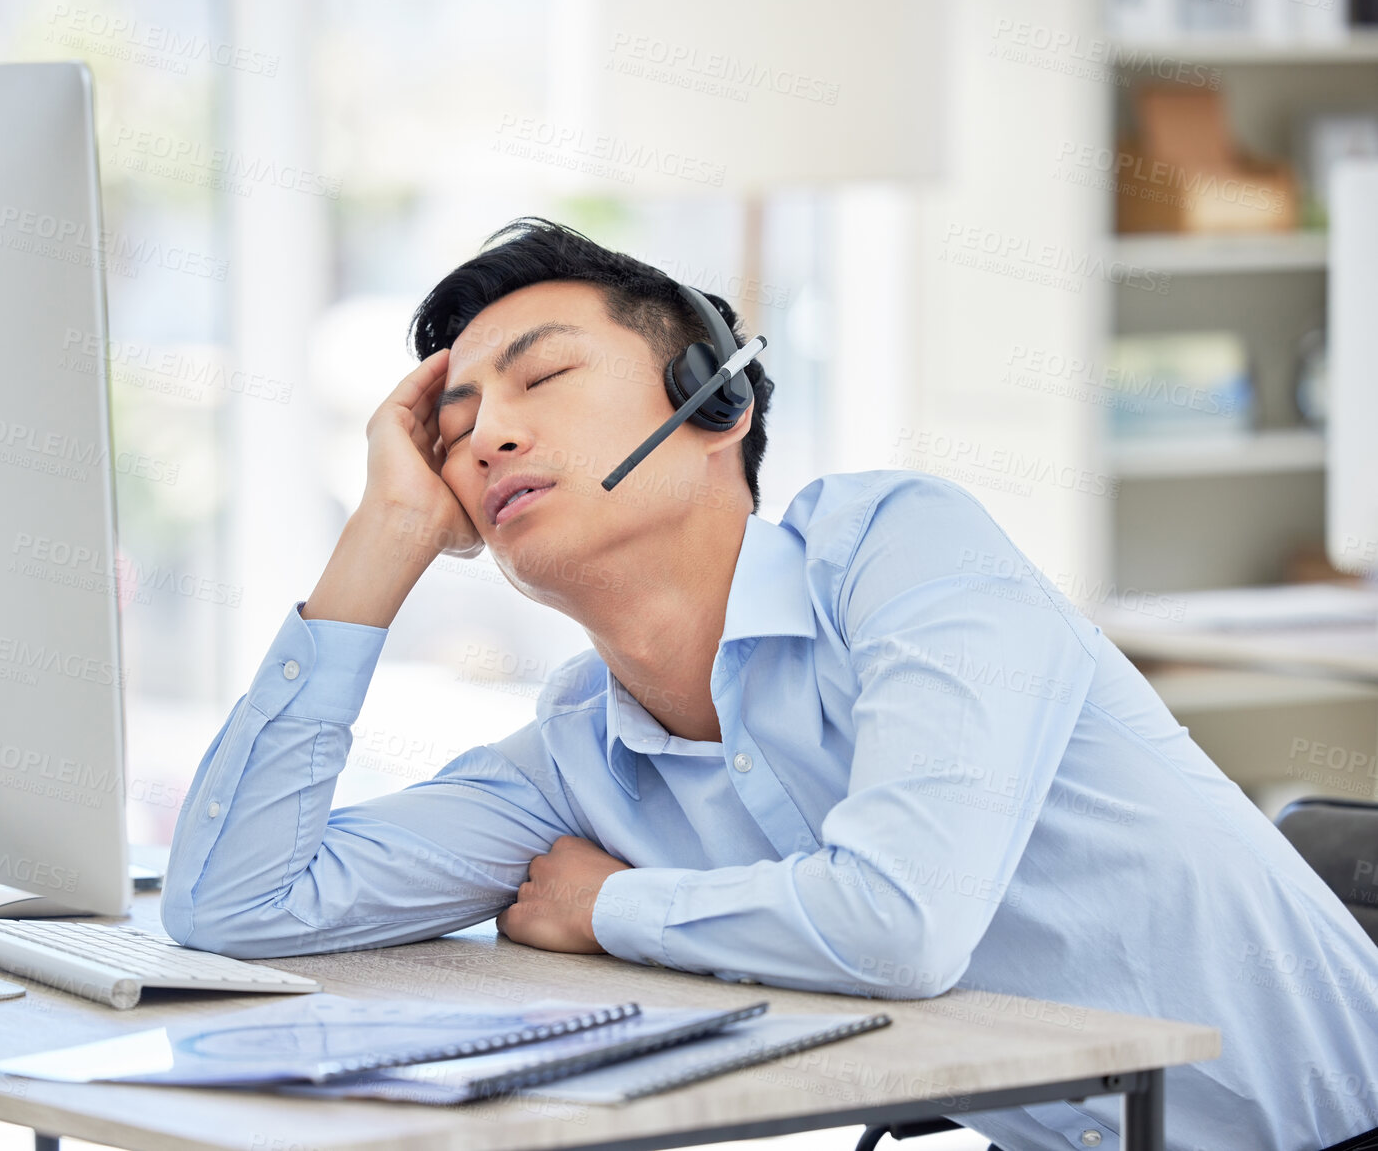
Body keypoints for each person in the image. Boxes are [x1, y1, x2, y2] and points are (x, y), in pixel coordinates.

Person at [162, 218, 1378, 1151]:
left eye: (542, 380)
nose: (486, 439)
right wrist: (383, 536)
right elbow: (235, 908)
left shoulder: (906, 550)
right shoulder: (579, 753)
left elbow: (898, 924)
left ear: (716, 398)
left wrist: (609, 911)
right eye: (458, 425)